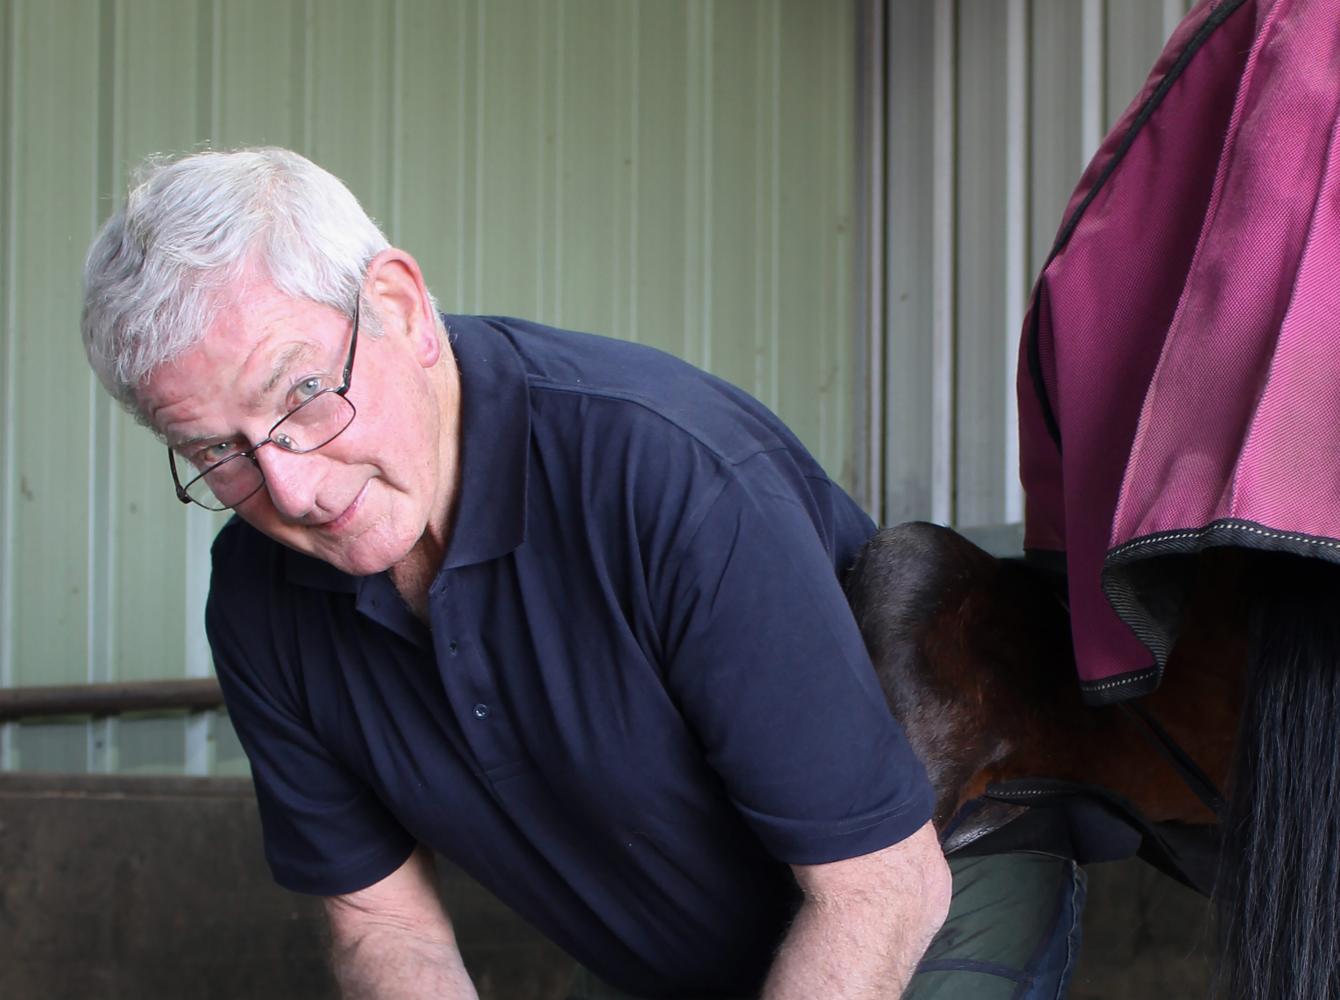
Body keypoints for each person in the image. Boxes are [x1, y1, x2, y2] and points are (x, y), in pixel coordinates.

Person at [80, 147, 1083, 1000]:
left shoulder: (662, 475)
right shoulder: (260, 598)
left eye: (302, 392)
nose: (290, 487)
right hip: (682, 947)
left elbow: (879, 889)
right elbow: (382, 924)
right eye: (219, 450)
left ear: (400, 305)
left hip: (927, 888)